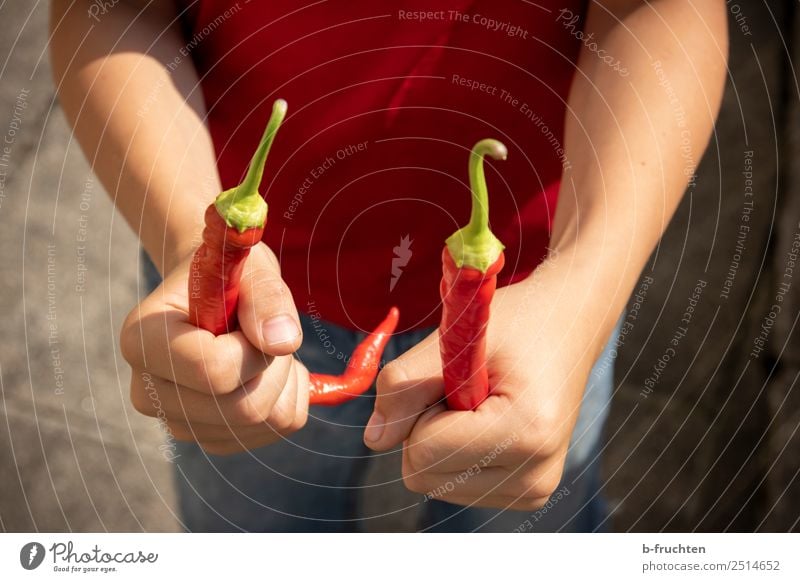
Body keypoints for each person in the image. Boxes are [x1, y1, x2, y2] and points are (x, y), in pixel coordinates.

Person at [50, 0, 728, 531]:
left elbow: (665, 10)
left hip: (535, 299)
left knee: (521, 539)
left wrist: (588, 283)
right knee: (256, 535)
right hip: (249, 300)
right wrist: (191, 245)